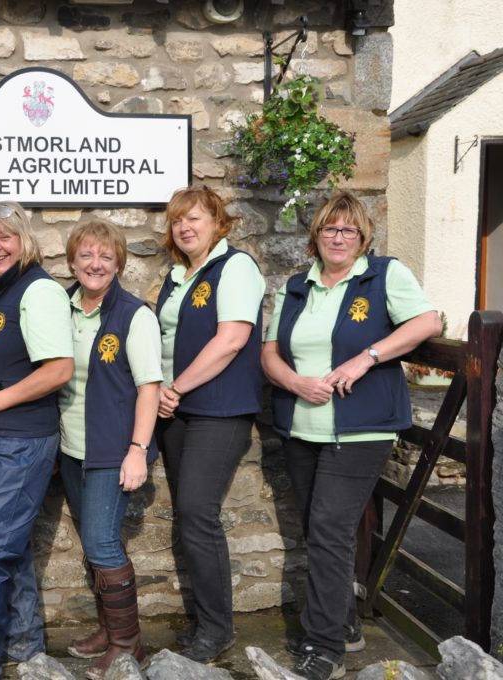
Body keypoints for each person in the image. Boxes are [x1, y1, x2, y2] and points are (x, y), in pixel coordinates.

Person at [261, 191, 441, 680]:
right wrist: (294, 381)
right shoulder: (298, 286)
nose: (338, 238)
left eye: (349, 231)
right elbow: (270, 351)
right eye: (329, 229)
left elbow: (429, 321)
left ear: (363, 238)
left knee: (329, 531)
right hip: (301, 426)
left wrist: (368, 358)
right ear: (315, 237)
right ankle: (343, 624)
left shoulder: (384, 275)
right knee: (315, 529)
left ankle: (324, 649)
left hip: (360, 429)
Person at [0, 202, 75, 680]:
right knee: (10, 550)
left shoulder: (39, 290)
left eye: (5, 237)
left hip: (16, 443)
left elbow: (59, 369)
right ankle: (27, 651)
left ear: (24, 239)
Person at [155, 184, 265, 664]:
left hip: (218, 410)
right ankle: (205, 621)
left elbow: (231, 340)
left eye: (195, 218)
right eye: (178, 220)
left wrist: (175, 387)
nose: (185, 227)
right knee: (188, 518)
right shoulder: (179, 275)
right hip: (177, 412)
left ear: (218, 222)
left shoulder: (235, 267)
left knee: (199, 514)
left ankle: (218, 630)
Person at [58, 220, 162, 679]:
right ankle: (107, 629)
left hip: (111, 449)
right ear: (72, 262)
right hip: (69, 447)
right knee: (95, 541)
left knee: (102, 542)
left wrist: (137, 449)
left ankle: (126, 644)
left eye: (105, 256)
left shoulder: (134, 315)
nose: (95, 264)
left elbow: (149, 388)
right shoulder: (61, 306)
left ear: (119, 262)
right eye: (86, 256)